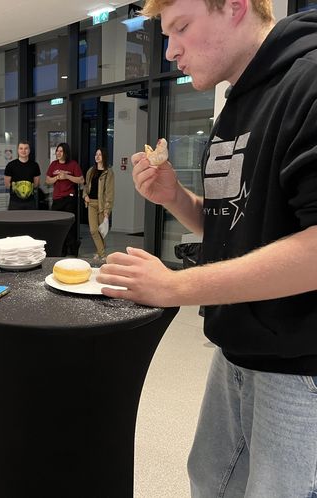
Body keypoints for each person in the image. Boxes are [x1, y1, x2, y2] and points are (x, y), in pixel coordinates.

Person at [96, 2, 317, 495]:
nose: (171, 50)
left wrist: (175, 286)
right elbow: (234, 222)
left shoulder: (308, 81)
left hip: (302, 365)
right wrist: (175, 197)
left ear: (236, 7)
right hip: (237, 350)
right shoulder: (234, 102)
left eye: (181, 28)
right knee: (210, 479)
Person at [45, 142, 84, 256]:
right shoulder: (53, 164)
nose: (58, 153)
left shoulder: (73, 164)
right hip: (57, 198)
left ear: (66, 153)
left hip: (69, 198)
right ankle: (60, 249)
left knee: (69, 225)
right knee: (57, 225)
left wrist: (67, 176)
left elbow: (81, 180)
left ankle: (72, 248)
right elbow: (47, 180)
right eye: (57, 151)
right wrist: (57, 177)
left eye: (61, 151)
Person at [83, 148, 114, 265]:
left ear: (104, 157)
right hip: (91, 203)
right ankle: (103, 255)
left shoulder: (108, 172)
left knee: (101, 232)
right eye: (96, 154)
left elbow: (110, 192)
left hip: (102, 205)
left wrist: (107, 209)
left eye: (100, 154)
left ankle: (98, 251)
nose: (97, 156)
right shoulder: (91, 171)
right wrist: (85, 195)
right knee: (93, 230)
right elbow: (86, 187)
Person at [4, 141, 41, 210]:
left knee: (31, 220)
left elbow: (36, 184)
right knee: (14, 220)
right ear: (18, 150)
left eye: (26, 148)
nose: (23, 151)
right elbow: (7, 184)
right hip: (15, 202)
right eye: (21, 148)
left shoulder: (35, 165)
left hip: (30, 202)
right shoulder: (10, 165)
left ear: (29, 150)